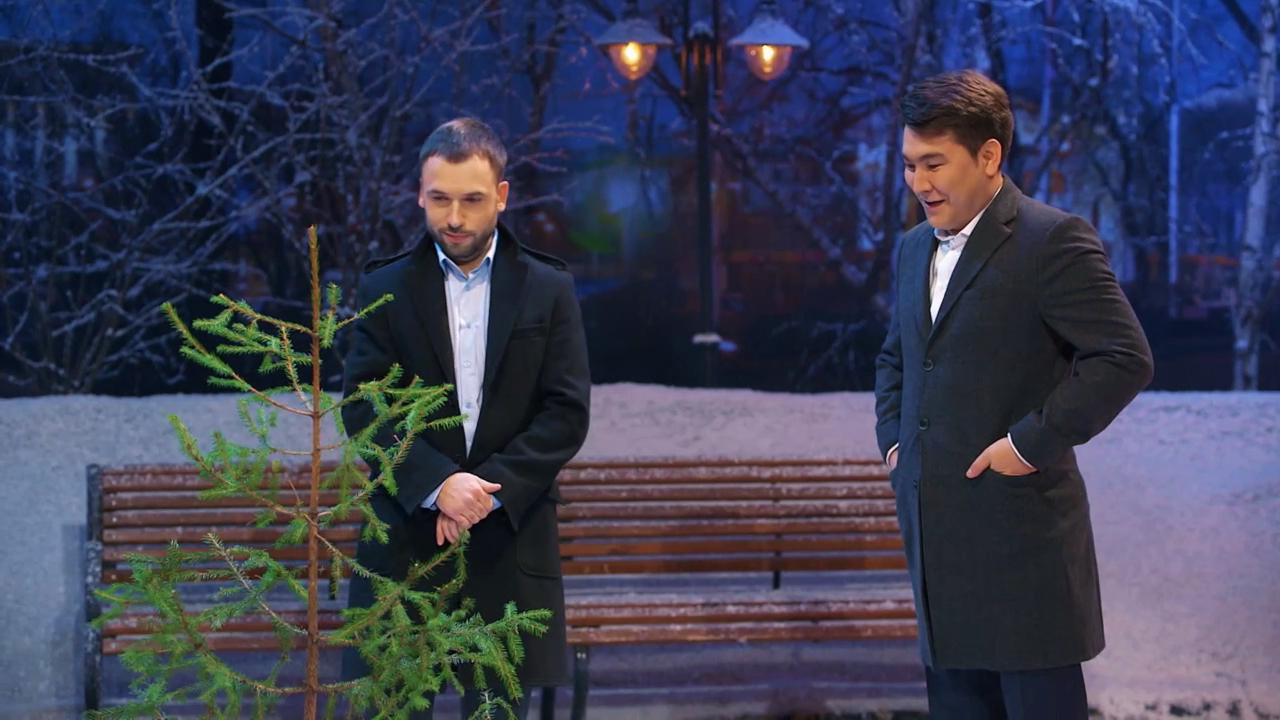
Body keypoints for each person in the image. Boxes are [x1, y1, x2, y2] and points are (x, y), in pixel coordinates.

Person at [873, 69, 1154, 719]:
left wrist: (1025, 447)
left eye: (934, 164)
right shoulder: (913, 249)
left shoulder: (1052, 240)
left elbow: (1123, 357)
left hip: (1022, 550)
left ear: (989, 156)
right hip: (940, 552)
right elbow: (897, 358)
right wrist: (895, 445)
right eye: (910, 165)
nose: (918, 182)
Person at [340, 117, 591, 719]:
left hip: (509, 549)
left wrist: (482, 493)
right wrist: (437, 484)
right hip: (406, 547)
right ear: (420, 195)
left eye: (472, 200)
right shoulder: (385, 287)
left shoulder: (547, 287)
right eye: (440, 199)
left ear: (501, 196)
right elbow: (364, 406)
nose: (454, 218)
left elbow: (565, 410)